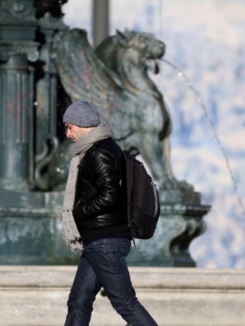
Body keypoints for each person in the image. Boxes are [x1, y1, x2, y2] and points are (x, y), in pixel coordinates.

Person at [61, 100, 158, 326]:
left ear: (82, 124)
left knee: (125, 303)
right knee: (78, 301)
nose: (67, 134)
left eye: (69, 127)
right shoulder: (100, 149)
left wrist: (78, 212)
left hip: (105, 240)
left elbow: (110, 195)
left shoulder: (99, 152)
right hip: (99, 240)